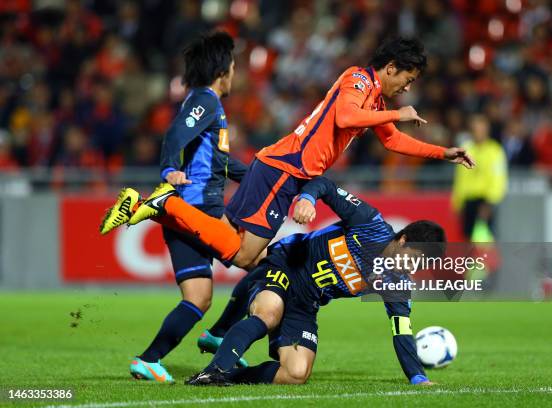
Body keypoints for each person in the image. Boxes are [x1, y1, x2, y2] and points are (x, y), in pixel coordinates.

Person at [120, 36, 472, 271]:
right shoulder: (359, 80)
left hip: (282, 167)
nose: (407, 88)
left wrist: (444, 153)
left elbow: (393, 142)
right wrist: (400, 113)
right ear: (391, 67)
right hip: (285, 169)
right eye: (407, 79)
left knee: (234, 244)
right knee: (245, 255)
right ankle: (165, 205)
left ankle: (154, 210)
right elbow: (346, 116)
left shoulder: (375, 101)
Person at [183, 176, 446, 386]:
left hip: (307, 302)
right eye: (415, 258)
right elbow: (326, 185)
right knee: (269, 313)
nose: (414, 267)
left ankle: (229, 377)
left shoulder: (396, 284)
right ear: (403, 240)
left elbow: (401, 331)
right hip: (286, 265)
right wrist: (308, 198)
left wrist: (418, 378)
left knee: (296, 374)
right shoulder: (370, 225)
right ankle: (214, 370)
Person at [99, 31, 248, 383]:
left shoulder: (205, 102)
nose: (235, 72)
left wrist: (265, 176)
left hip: (188, 213)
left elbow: (223, 165)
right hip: (198, 210)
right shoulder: (206, 101)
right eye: (234, 65)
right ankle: (221, 335)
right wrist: (168, 169)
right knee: (261, 262)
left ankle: (149, 360)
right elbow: (176, 134)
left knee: (198, 297)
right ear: (223, 69)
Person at [451, 114, 507, 241]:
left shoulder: (495, 150)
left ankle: (484, 261)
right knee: (467, 239)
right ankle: (472, 261)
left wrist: (490, 202)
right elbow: (460, 178)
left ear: (487, 130)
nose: (478, 133)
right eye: (475, 130)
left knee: (484, 240)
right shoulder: (466, 148)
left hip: (485, 202)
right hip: (467, 201)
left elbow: (499, 179)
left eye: (481, 129)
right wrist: (457, 203)